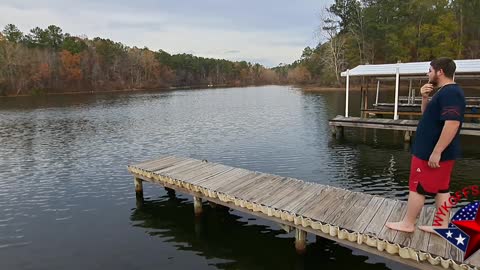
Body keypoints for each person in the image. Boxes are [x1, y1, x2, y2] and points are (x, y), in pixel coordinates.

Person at [386, 57, 466, 233]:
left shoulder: (451, 93)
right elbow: (426, 114)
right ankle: (442, 225)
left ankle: (408, 224)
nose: (427, 73)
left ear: (440, 72)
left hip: (431, 152)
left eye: (430, 70)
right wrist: (424, 97)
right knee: (442, 189)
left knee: (417, 187)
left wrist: (436, 152)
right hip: (437, 151)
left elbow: (452, 123)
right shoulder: (443, 92)